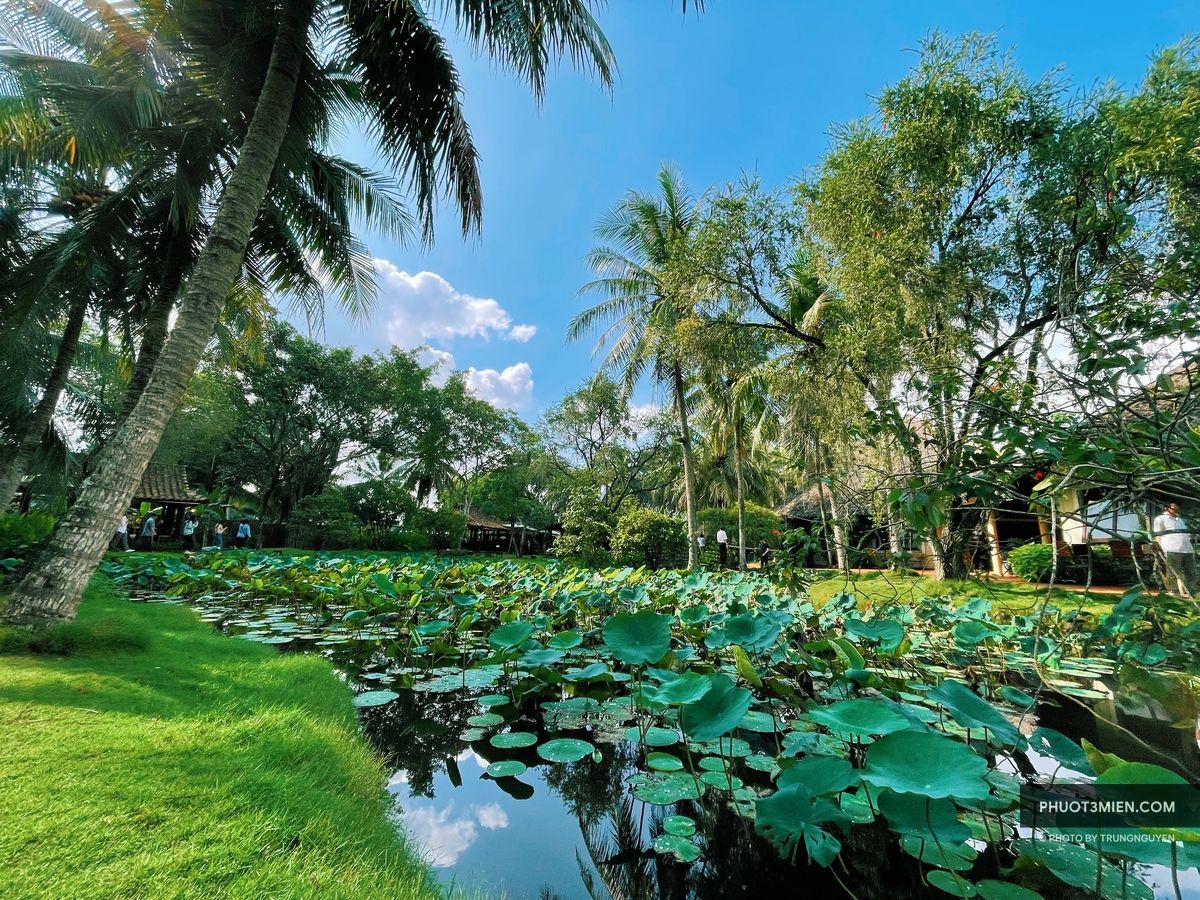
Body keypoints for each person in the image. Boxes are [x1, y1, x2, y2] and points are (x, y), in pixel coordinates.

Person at [1153, 501, 1195, 598]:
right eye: (1173, 507)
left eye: (1176, 506)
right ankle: (1173, 592)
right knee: (1172, 572)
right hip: (1172, 548)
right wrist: (1164, 548)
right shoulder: (1161, 519)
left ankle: (1193, 591)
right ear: (1167, 508)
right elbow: (1157, 535)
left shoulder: (1179, 519)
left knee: (1191, 571)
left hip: (1187, 549)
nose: (1176, 508)